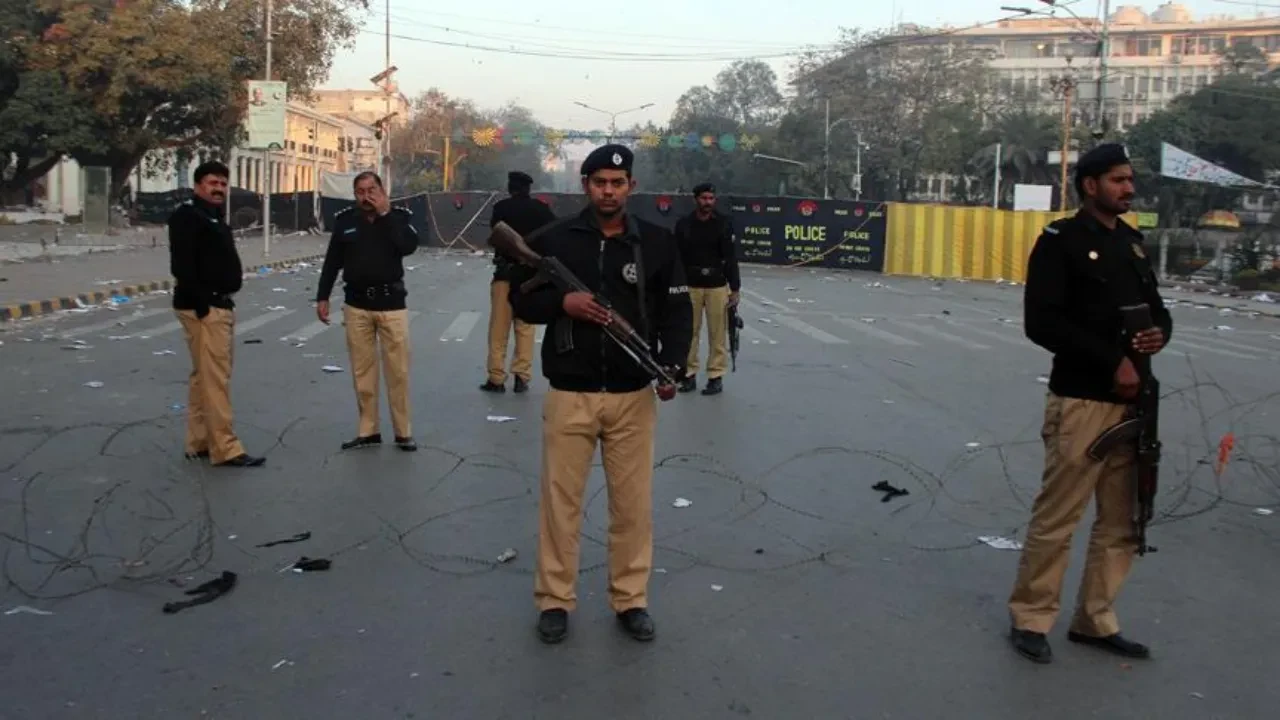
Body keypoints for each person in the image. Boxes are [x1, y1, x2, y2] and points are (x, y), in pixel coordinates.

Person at [508, 143, 693, 645]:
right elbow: (518, 301)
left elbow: (678, 312)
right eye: (598, 183)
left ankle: (630, 599)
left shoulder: (656, 243)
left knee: (632, 506)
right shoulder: (554, 239)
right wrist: (562, 302)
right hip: (570, 390)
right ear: (585, 185)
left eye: (617, 183)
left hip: (634, 394)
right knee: (560, 504)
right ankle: (554, 600)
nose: (608, 191)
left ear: (630, 187)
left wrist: (671, 367)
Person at [1007, 143, 1172, 664]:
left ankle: (1095, 619)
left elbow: (1158, 311)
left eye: (1130, 179)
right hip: (1083, 399)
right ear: (1090, 185)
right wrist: (1111, 361)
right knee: (1060, 516)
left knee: (1123, 520)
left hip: (1135, 404)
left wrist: (1157, 338)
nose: (1129, 188)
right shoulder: (1061, 241)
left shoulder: (1131, 243)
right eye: (1119, 180)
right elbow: (1043, 322)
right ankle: (1032, 618)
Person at [315, 171, 420, 452]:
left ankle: (403, 432)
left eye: (371, 190)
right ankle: (368, 430)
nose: (366, 196)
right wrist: (322, 296)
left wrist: (386, 215)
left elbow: (408, 246)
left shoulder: (399, 218)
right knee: (363, 373)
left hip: (392, 305)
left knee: (397, 373)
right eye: (360, 191)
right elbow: (332, 261)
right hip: (357, 305)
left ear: (382, 191)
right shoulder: (345, 221)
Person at [169, 161, 265, 468]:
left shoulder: (213, 218)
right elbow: (182, 266)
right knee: (216, 379)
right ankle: (225, 447)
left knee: (203, 377)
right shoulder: (188, 217)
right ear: (198, 186)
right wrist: (202, 305)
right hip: (205, 308)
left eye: (223, 183)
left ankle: (198, 441)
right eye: (213, 182)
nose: (219, 188)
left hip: (217, 305)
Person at [480, 170, 556, 394]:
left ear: (510, 188)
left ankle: (496, 378)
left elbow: (495, 235)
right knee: (525, 327)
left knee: (498, 329)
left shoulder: (501, 208)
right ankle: (522, 377)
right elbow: (551, 235)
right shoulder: (541, 210)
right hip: (530, 278)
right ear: (528, 189)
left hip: (504, 274)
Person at [673, 182, 741, 395]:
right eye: (704, 198)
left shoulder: (723, 224)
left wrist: (735, 288)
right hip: (690, 285)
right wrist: (675, 286)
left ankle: (715, 376)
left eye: (711, 199)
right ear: (696, 200)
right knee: (689, 333)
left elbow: (730, 258)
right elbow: (677, 258)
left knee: (717, 334)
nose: (707, 202)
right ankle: (689, 375)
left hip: (717, 285)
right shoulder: (684, 224)